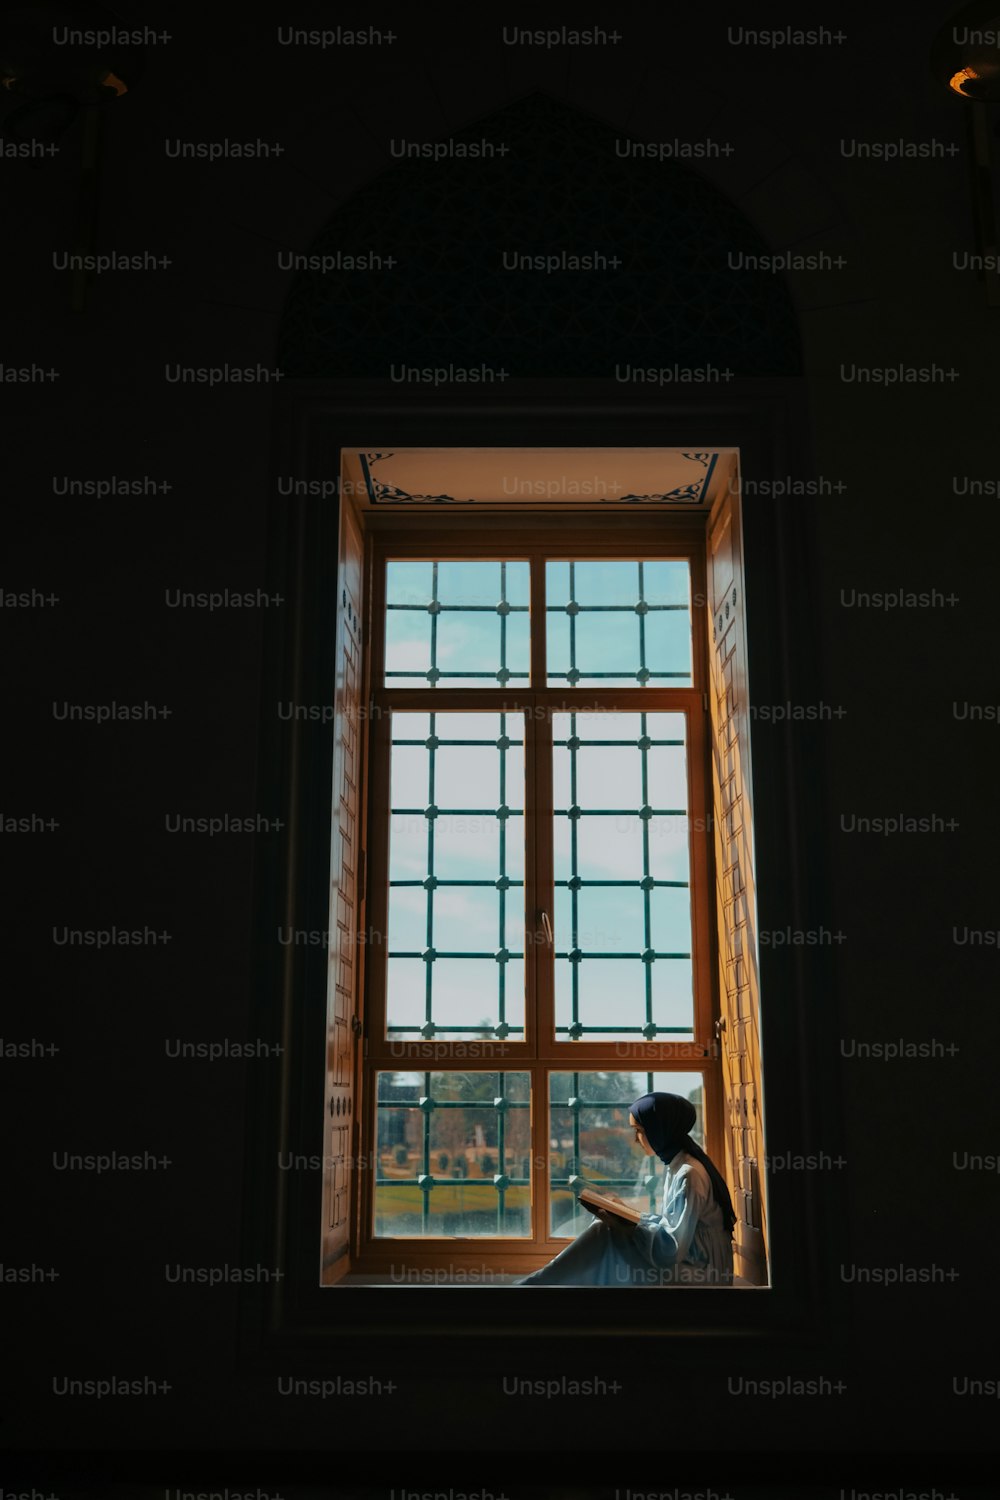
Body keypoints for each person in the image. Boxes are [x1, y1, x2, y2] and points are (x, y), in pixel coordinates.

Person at [515, 1091, 736, 1286]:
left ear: (660, 1129)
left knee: (605, 1230)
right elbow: (671, 1228)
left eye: (639, 1130)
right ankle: (542, 1283)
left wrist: (626, 1225)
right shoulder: (678, 1165)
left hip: (702, 1270)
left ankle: (538, 1284)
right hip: (692, 1260)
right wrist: (628, 1214)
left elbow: (671, 1249)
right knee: (607, 1229)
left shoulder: (689, 1174)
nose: (635, 1139)